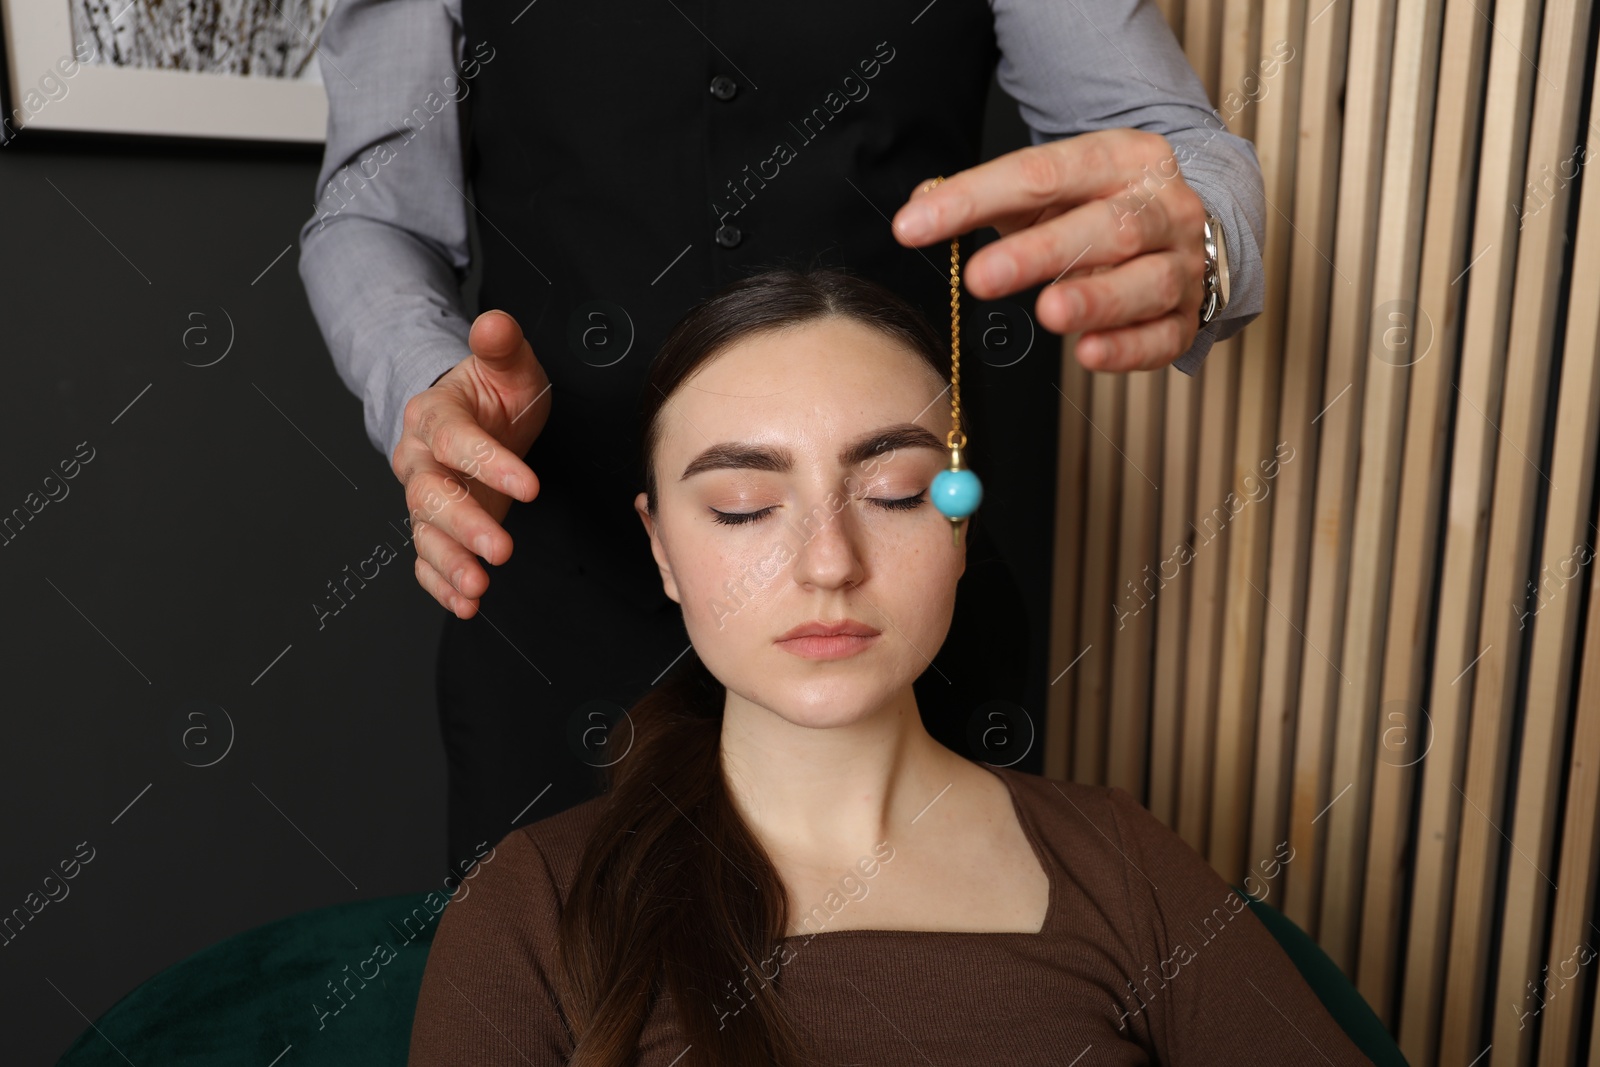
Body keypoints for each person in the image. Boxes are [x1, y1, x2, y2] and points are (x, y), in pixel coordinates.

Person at [297, 0, 1267, 873]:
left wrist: (1202, 237)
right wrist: (427, 383)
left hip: (901, 628)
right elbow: (369, 212)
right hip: (562, 616)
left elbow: (1184, 153)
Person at [404, 268, 1365, 1066]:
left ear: (958, 520)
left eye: (898, 492)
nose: (830, 562)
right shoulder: (532, 904)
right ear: (660, 548)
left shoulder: (1117, 863)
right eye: (743, 505)